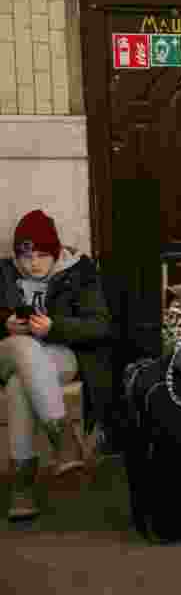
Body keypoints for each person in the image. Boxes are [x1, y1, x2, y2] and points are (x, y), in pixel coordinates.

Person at [1, 210, 114, 521]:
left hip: (58, 354)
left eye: (40, 255)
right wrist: (4, 324)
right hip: (7, 352)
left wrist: (54, 328)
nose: (32, 263)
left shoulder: (79, 271)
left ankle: (22, 484)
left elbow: (100, 326)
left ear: (55, 252)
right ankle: (63, 439)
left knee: (18, 384)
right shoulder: (4, 273)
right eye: (25, 257)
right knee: (22, 346)